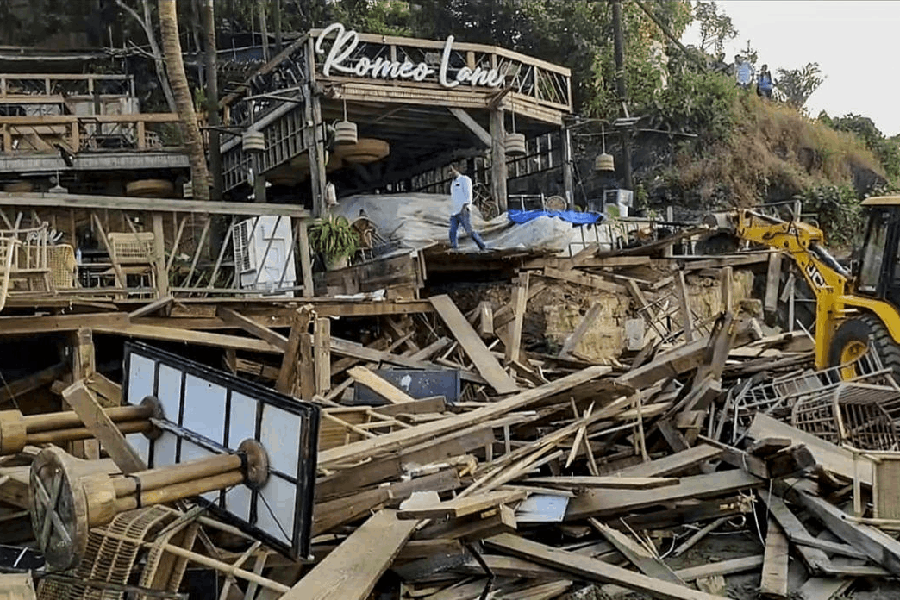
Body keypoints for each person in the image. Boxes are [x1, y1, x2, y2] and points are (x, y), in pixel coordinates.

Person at [448, 164, 487, 251]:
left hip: (463, 210)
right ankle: (455, 247)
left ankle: (482, 245)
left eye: (451, 171)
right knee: (452, 231)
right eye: (449, 172)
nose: (450, 174)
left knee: (469, 231)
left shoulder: (465, 180)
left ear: (456, 169)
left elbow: (468, 194)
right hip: (455, 211)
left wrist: (465, 206)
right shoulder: (453, 184)